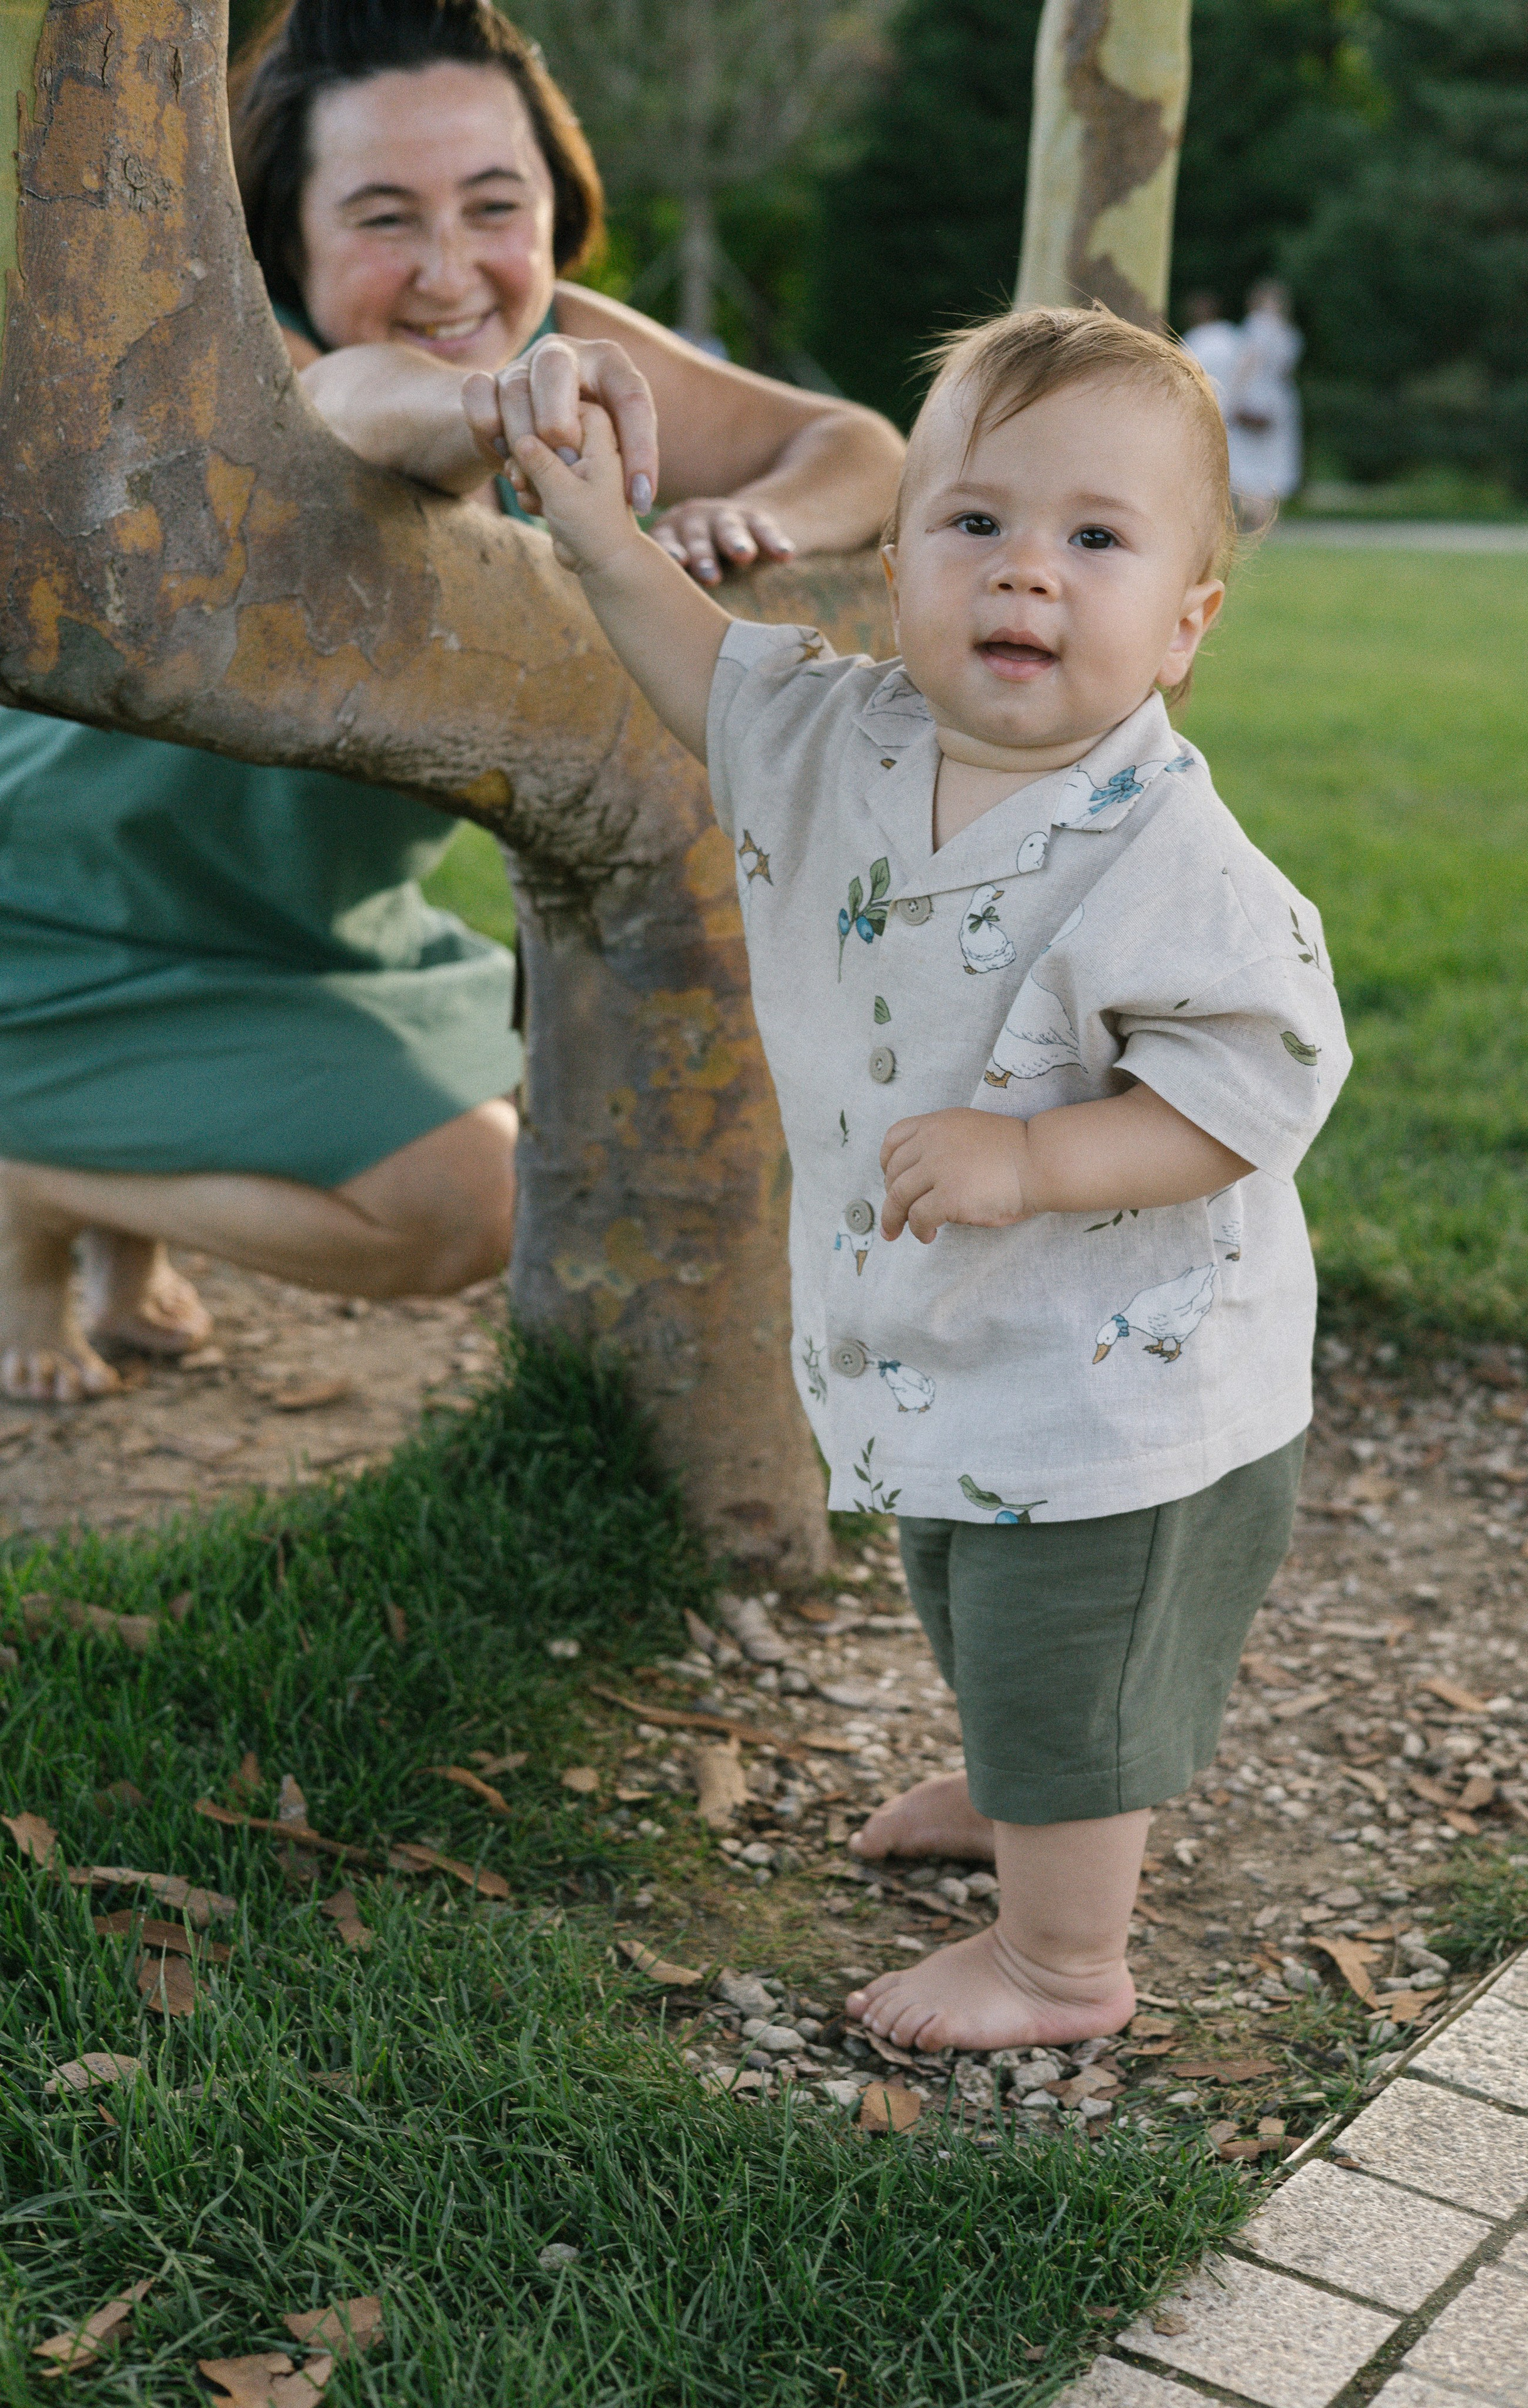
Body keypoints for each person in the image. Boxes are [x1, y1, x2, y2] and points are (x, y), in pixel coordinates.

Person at [468, 303, 1350, 2051]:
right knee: (962, 1578)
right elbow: (695, 664)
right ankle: (1021, 1781)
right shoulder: (844, 736)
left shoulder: (1168, 853)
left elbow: (1254, 1089)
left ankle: (1061, 1958)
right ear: (894, 572)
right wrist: (594, 529)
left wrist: (1034, 1152)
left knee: (1065, 1636)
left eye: (1093, 539)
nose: (1026, 569)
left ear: (1185, 625)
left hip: (1120, 1373)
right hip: (957, 1334)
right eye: (977, 521)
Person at [0, 0, 902, 1404]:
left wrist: (753, 518)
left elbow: (858, 445)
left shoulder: (557, 340)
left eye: (494, 206)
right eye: (383, 218)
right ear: (284, 236)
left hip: (303, 936)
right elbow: (357, 404)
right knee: (468, 1203)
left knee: (613, 1052)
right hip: (61, 924)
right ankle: (30, 1189)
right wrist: (487, 409)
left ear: (554, 202)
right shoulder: (242, 365)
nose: (449, 270)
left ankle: (116, 1224)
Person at [1225, 278, 1304, 513]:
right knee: (1272, 459)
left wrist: (1233, 396)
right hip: (1280, 398)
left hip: (1255, 394)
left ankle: (1255, 512)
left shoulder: (1257, 325)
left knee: (1248, 459)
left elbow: (1247, 364)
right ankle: (1266, 512)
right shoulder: (1287, 332)